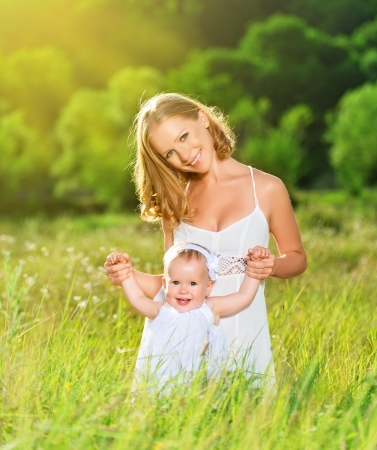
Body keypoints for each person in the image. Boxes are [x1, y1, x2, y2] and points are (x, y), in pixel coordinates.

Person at [104, 92, 307, 385]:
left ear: (202, 118)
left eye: (184, 136)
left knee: (247, 415)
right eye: (170, 153)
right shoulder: (174, 201)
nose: (184, 155)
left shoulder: (267, 188)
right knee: (180, 420)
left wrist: (272, 265)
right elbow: (170, 281)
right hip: (181, 341)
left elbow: (298, 259)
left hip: (244, 323)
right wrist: (128, 275)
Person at [107, 243, 270, 387]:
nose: (183, 290)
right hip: (165, 381)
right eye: (176, 282)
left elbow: (244, 297)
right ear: (165, 284)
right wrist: (125, 273)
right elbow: (137, 298)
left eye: (193, 283)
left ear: (208, 287)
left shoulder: (209, 309)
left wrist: (255, 270)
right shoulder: (161, 311)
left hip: (202, 381)